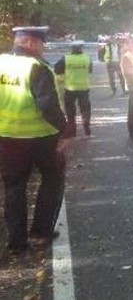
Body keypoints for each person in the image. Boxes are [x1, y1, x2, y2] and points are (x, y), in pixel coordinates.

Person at [0, 26, 70, 254]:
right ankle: (41, 232)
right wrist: (65, 131)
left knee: (14, 186)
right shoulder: (36, 67)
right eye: (41, 43)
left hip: (7, 137)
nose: (42, 48)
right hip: (41, 137)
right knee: (52, 178)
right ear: (30, 42)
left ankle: (16, 242)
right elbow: (47, 105)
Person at [54, 40, 92, 137]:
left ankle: (72, 130)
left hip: (70, 88)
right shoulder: (87, 58)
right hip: (83, 88)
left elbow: (57, 70)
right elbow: (90, 70)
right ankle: (86, 126)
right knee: (85, 109)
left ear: (72, 49)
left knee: (70, 111)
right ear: (82, 48)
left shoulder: (66, 59)